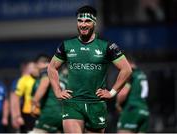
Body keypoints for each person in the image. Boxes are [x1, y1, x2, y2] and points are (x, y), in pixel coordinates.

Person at [47, 5, 132, 133]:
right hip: (73, 103)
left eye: (87, 21)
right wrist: (58, 91)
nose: (83, 24)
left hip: (96, 104)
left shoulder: (107, 46)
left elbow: (126, 69)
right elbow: (52, 67)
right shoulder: (67, 45)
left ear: (94, 22)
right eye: (80, 21)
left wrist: (112, 92)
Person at [30, 55, 67, 133]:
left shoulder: (45, 71)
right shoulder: (61, 76)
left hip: (50, 113)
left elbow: (45, 82)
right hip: (65, 115)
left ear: (40, 63)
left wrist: (34, 101)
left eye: (35, 65)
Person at [116, 56, 149, 133]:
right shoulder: (142, 74)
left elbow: (123, 93)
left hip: (132, 110)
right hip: (144, 110)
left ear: (127, 62)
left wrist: (117, 104)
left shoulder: (130, 73)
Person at [11, 60, 39, 133]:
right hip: (27, 114)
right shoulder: (23, 80)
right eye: (34, 67)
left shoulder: (41, 79)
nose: (36, 69)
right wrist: (17, 116)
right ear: (28, 69)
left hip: (40, 113)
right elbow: (15, 98)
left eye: (36, 67)